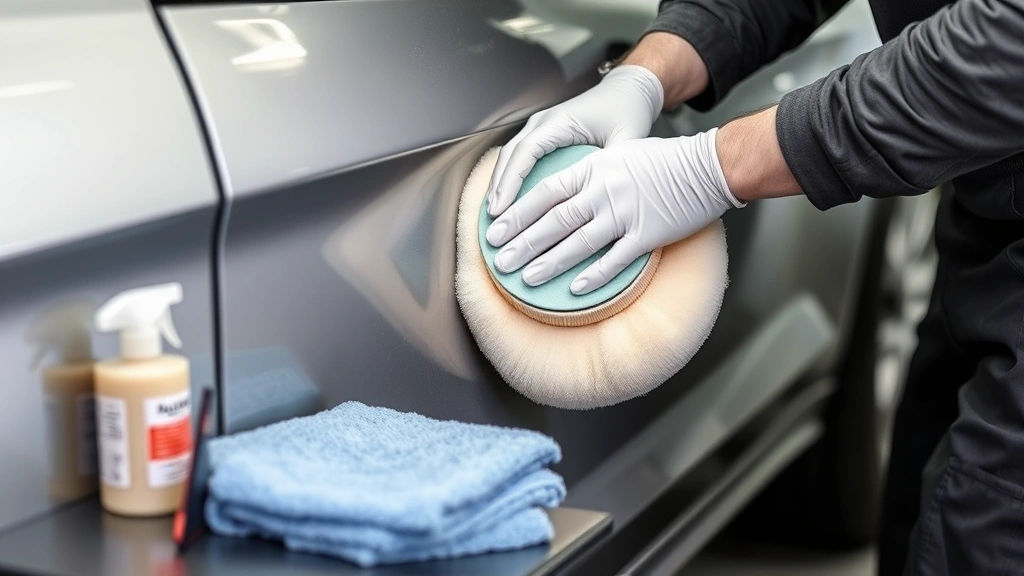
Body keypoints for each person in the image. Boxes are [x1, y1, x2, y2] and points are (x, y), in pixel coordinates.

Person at [483, 0, 1024, 573]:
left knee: (981, 531)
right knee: (924, 513)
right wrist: (646, 73)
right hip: (990, 205)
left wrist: (711, 167)